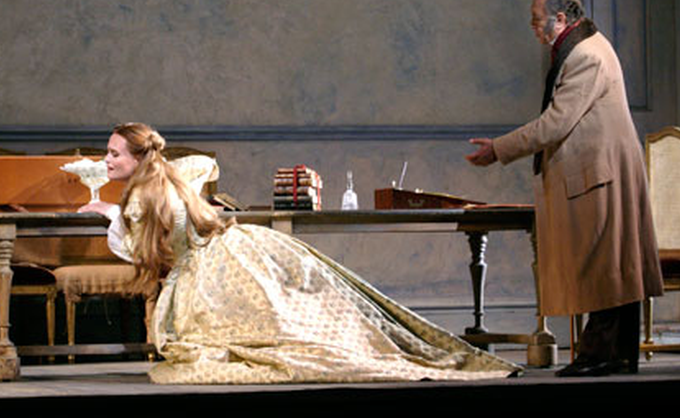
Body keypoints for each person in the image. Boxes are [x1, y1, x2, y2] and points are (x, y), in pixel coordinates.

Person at [79, 122, 519, 384]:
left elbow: (139, 252)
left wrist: (106, 212)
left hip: (214, 269)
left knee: (284, 335)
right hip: (246, 245)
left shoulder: (139, 201)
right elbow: (202, 165)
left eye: (114, 153)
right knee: (317, 309)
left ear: (138, 159)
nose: (107, 160)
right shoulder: (171, 177)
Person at [465, 0, 664, 377]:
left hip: (602, 176)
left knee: (608, 269)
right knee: (611, 268)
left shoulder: (586, 55)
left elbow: (556, 122)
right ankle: (608, 356)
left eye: (537, 21)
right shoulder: (584, 46)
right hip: (601, 172)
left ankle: (605, 355)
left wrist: (499, 148)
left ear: (560, 19)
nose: (534, 29)